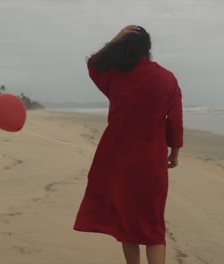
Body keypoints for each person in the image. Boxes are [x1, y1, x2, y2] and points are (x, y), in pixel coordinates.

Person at [74, 25, 184, 264]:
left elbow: (93, 64)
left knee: (127, 223)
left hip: (118, 162)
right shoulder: (167, 78)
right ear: (148, 49)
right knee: (154, 228)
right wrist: (174, 154)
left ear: (124, 47)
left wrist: (115, 38)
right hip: (151, 164)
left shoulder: (117, 75)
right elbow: (175, 123)